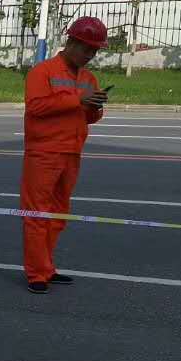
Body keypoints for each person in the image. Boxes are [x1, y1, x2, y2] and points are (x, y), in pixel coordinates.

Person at [21, 17, 110, 294]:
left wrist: (95, 106)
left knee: (58, 214)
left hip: (71, 153)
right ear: (71, 42)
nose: (90, 56)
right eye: (86, 49)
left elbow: (90, 118)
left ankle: (47, 268)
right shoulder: (42, 72)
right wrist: (78, 100)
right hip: (43, 153)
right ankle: (36, 273)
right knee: (37, 214)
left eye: (94, 51)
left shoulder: (88, 78)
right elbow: (36, 107)